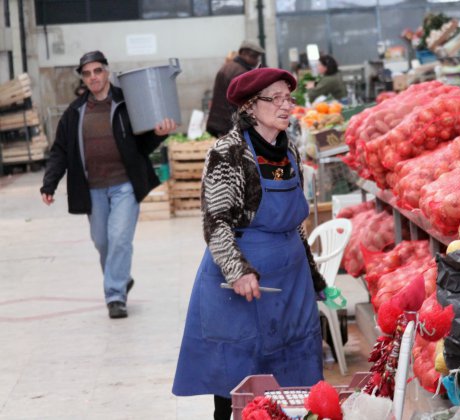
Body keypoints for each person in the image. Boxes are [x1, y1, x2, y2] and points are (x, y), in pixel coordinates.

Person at [173, 68, 326, 420]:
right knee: (237, 384)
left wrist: (314, 278)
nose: (287, 105)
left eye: (289, 97)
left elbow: (295, 224)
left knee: (293, 385)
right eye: (276, 98)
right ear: (250, 107)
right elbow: (216, 222)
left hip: (289, 288)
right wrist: (238, 270)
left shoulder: (290, 151)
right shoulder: (228, 153)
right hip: (240, 288)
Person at [40, 51, 177, 319]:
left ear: (107, 72)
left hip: (125, 185)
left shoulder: (126, 103)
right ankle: (121, 278)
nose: (93, 77)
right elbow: (60, 151)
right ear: (83, 77)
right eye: (87, 73)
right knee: (102, 241)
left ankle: (115, 295)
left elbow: (143, 143)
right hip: (93, 189)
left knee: (120, 238)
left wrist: (160, 133)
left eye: (97, 71)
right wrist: (49, 184)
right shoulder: (74, 112)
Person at [206, 40, 265, 138]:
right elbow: (243, 102)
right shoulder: (241, 73)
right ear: (243, 53)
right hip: (229, 123)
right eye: (254, 57)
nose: (257, 61)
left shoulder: (227, 67)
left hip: (220, 122)